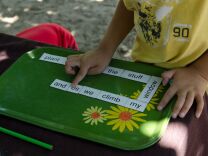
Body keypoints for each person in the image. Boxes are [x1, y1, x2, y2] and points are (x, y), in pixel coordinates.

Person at [65, 0, 208, 119]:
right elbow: (132, 5)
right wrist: (105, 49)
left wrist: (200, 72)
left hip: (196, 81)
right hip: (145, 69)